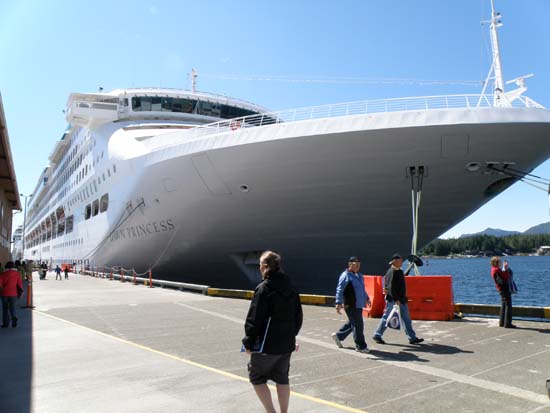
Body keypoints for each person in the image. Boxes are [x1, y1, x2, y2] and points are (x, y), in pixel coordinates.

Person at [242, 251, 303, 413]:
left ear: (264, 266)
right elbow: (298, 316)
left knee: (256, 377)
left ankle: (271, 411)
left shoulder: (264, 289)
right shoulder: (291, 288)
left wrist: (248, 341)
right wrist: (291, 336)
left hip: (266, 345)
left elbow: (255, 318)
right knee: (282, 379)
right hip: (286, 344)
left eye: (260, 265)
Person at [373, 254, 424, 345]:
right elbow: (390, 287)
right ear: (394, 261)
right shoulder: (391, 271)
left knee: (406, 319)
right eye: (400, 261)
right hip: (394, 299)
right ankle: (377, 335)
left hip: (401, 299)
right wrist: (396, 299)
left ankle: (412, 337)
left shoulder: (398, 271)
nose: (401, 262)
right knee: (387, 317)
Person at [331, 256, 371, 353]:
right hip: (351, 304)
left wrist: (367, 297)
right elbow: (339, 289)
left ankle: (339, 336)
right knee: (358, 325)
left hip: (359, 304)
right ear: (350, 264)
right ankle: (360, 346)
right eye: (355, 264)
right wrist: (338, 302)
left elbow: (361, 288)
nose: (357, 266)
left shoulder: (359, 275)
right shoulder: (346, 275)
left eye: (358, 264)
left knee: (353, 323)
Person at [490, 256, 516, 328]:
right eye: (499, 262)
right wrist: (506, 269)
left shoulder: (493, 269)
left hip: (501, 290)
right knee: (508, 305)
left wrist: (504, 269)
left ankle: (502, 322)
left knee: (504, 305)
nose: (501, 263)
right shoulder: (497, 270)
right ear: (496, 263)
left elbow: (502, 276)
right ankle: (507, 323)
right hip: (504, 289)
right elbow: (505, 277)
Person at [0, 261, 23, 328]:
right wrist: (21, 292)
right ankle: (14, 317)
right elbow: (19, 284)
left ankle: (6, 323)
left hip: (4, 293)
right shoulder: (17, 273)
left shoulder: (3, 274)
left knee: (5, 308)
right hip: (14, 293)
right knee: (12, 307)